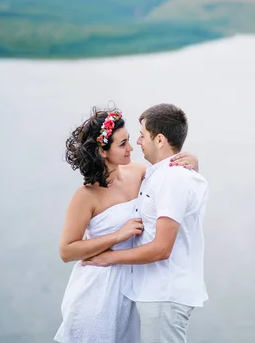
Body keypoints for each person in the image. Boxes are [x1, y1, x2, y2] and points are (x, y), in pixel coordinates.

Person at [54, 106, 198, 343]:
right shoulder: (86, 195)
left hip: (133, 287)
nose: (131, 148)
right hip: (98, 289)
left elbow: (172, 182)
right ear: (102, 150)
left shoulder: (139, 173)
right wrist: (117, 236)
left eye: (130, 140)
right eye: (122, 144)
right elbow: (66, 251)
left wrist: (191, 161)